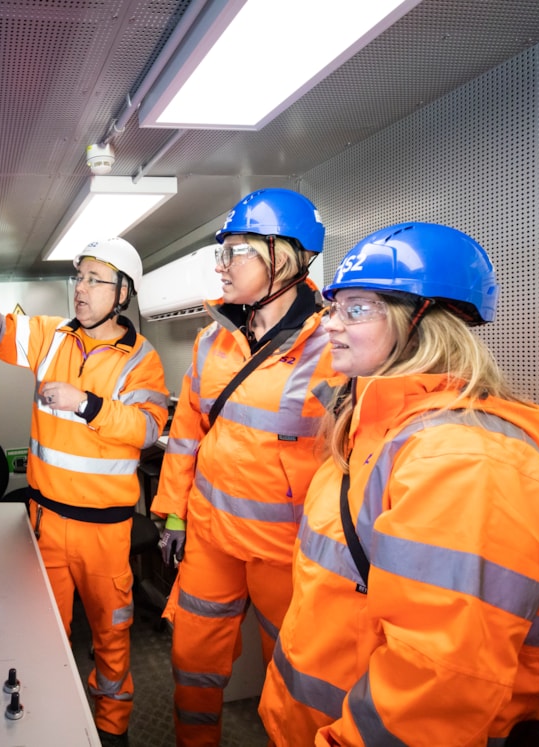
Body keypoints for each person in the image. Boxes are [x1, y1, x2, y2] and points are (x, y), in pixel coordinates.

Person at [259, 222, 539, 745]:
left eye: (357, 309)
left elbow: (436, 688)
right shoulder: (371, 429)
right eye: (333, 308)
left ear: (425, 321)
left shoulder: (466, 463)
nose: (330, 327)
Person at [0, 238, 169, 746]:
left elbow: (149, 427)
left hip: (105, 531)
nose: (81, 289)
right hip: (44, 521)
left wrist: (86, 402)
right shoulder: (51, 336)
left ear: (123, 293)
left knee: (111, 638)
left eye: (95, 280)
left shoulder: (141, 360)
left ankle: (113, 731)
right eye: (79, 277)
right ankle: (46, 728)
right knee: (45, 636)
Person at [149, 188, 337, 746]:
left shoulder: (333, 345)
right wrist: (173, 515)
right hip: (211, 536)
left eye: (237, 251)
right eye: (222, 252)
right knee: (192, 664)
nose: (223, 266)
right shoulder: (213, 343)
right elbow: (186, 435)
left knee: (299, 681)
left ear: (287, 255)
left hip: (289, 548)